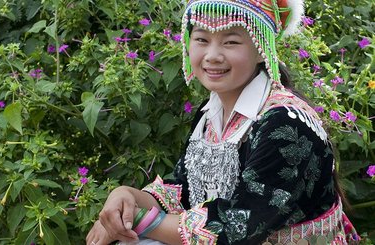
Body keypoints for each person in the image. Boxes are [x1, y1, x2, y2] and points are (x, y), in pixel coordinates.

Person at [86, 0, 360, 244]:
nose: (213, 55)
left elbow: (238, 229)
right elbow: (184, 190)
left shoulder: (285, 125)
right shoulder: (211, 111)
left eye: (231, 42)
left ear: (261, 47)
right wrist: (126, 198)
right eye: (202, 39)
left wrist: (138, 220)